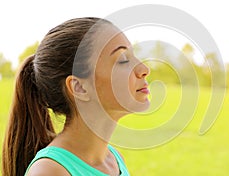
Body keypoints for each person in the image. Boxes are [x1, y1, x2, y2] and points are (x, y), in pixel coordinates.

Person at [1, 17, 150, 176]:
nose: (144, 68)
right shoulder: (50, 171)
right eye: (123, 59)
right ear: (79, 87)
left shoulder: (115, 160)